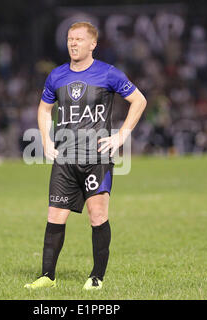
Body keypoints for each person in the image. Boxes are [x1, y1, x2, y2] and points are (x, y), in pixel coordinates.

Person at [24, 22, 147, 290]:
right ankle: (47, 276)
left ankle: (96, 277)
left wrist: (121, 135)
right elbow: (45, 110)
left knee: (97, 215)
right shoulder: (56, 76)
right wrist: (45, 139)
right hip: (65, 159)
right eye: (70, 39)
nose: (73, 43)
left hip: (97, 158)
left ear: (93, 44)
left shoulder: (108, 73)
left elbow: (139, 100)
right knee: (55, 216)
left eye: (79, 39)